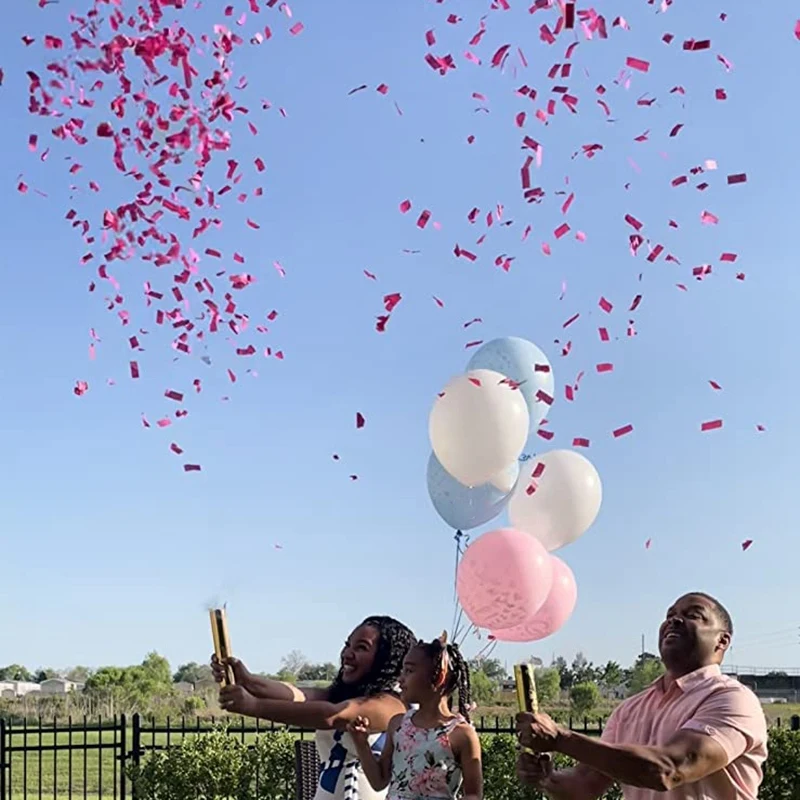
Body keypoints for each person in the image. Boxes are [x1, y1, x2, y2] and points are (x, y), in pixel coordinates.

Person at [516, 592, 767, 800]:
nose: (674, 620)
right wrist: (547, 778)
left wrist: (561, 738)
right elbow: (584, 785)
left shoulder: (732, 699)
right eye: (670, 615)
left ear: (722, 641)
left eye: (692, 615)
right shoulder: (630, 709)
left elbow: (667, 770)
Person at [212, 615, 417, 800]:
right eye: (348, 645)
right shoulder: (342, 695)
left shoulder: (392, 704)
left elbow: (332, 716)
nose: (347, 654)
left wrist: (253, 706)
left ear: (387, 659)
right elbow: (297, 695)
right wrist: (247, 681)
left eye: (361, 647)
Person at [347, 633, 483, 800]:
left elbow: (474, 794)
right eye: (402, 670)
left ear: (438, 677)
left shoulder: (461, 734)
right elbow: (379, 781)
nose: (400, 679)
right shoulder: (398, 724)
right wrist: (361, 743)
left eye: (409, 670)